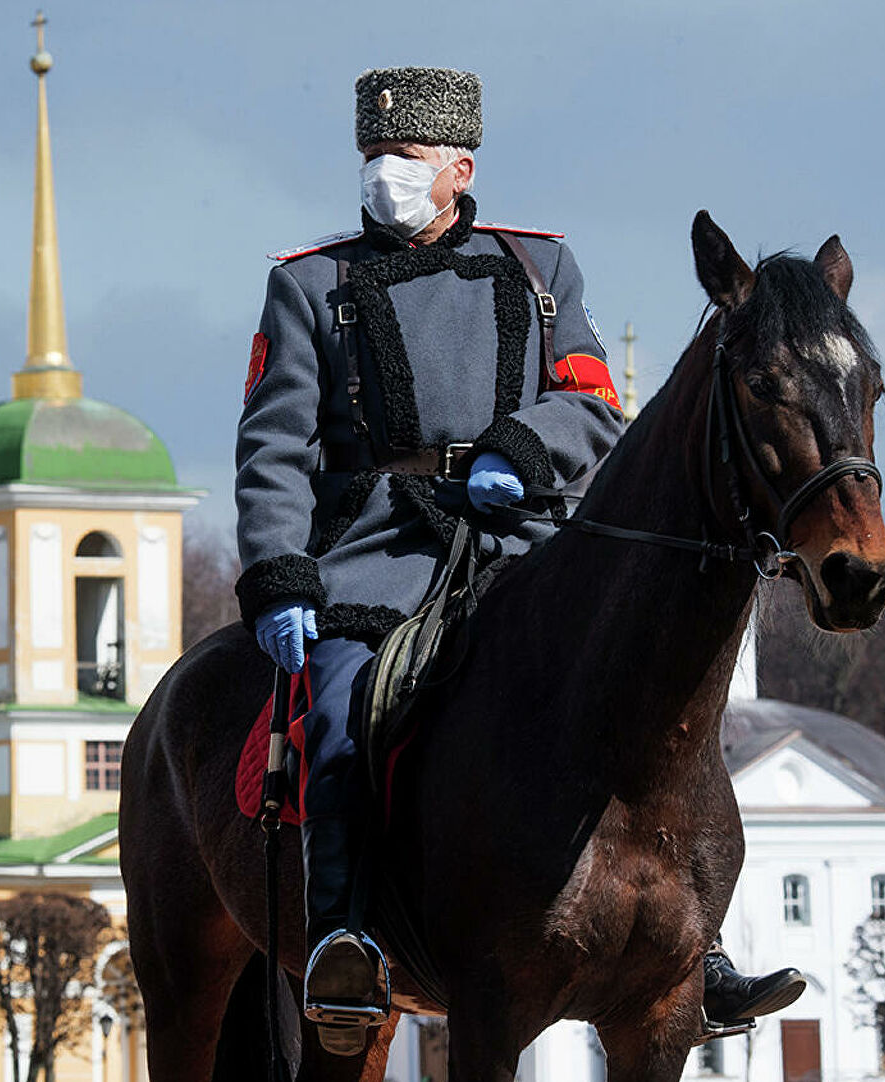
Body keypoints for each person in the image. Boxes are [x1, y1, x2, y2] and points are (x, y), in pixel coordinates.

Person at [234, 66, 805, 1041]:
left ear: (459, 166)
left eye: (405, 157)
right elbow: (274, 444)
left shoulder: (541, 270)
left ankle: (692, 943)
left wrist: (518, 451)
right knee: (336, 718)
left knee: (652, 703)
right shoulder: (307, 284)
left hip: (526, 540)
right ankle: (344, 943)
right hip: (376, 547)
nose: (384, 175)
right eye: (373, 155)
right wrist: (280, 572)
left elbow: (589, 396)